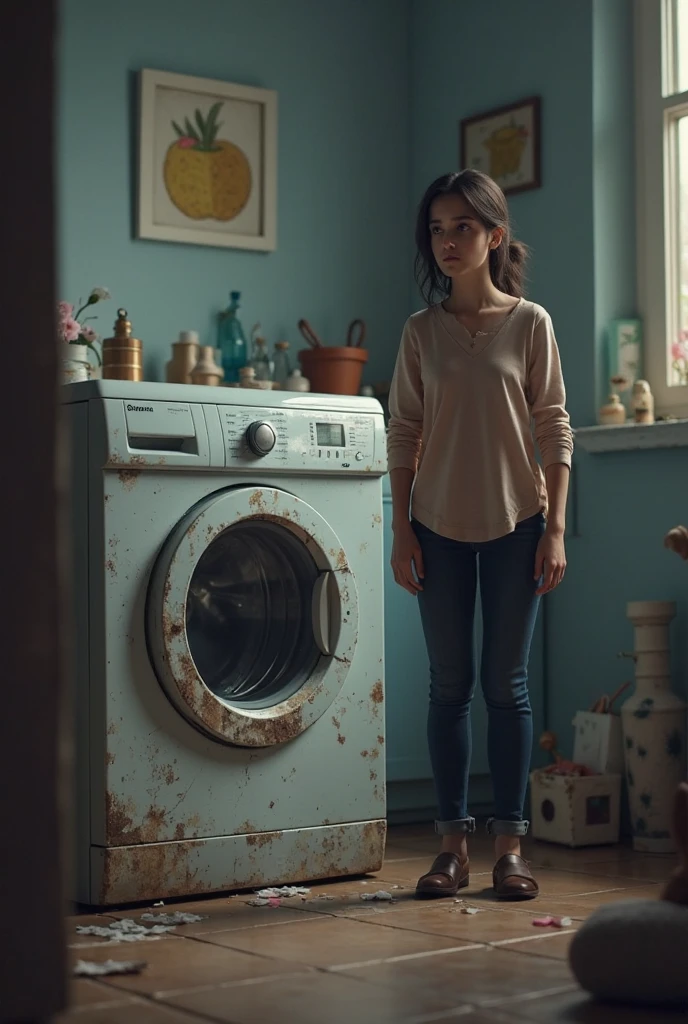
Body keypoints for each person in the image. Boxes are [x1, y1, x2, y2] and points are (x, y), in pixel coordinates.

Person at [387, 169, 573, 901]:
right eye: (437, 228)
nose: (447, 241)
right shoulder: (419, 332)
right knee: (448, 687)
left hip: (516, 527)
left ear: (495, 235)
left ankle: (509, 850)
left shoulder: (532, 323)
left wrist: (554, 529)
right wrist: (402, 529)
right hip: (434, 528)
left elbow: (554, 425)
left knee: (507, 687)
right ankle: (451, 847)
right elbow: (404, 430)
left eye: (463, 226)